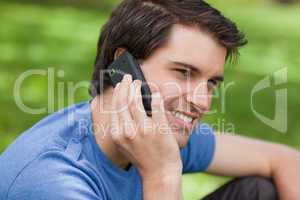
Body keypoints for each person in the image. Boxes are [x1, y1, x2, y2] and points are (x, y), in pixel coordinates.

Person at [0, 0, 299, 199]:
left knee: (258, 191)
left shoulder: (154, 127)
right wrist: (163, 173)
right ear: (124, 68)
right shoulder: (54, 182)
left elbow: (285, 160)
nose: (202, 101)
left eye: (211, 83)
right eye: (183, 72)